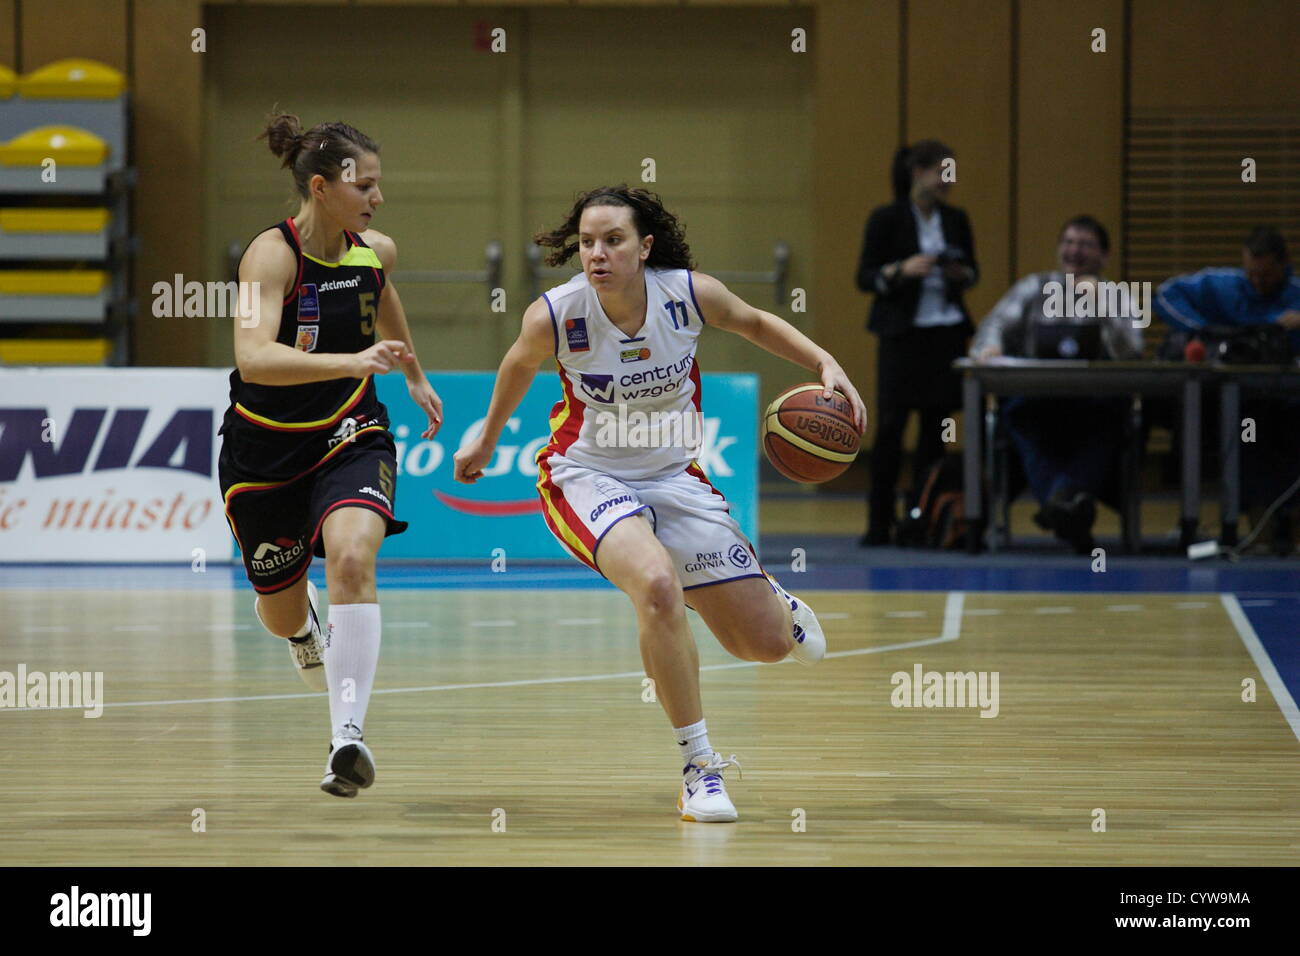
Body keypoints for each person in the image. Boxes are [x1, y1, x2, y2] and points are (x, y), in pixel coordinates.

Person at [453, 185, 867, 823]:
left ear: (644, 248)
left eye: (613, 240)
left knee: (762, 646)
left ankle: (775, 603)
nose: (597, 253)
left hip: (675, 475)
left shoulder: (688, 294)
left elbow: (755, 322)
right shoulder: (556, 314)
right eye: (587, 242)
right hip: (585, 474)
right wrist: (486, 435)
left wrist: (824, 361)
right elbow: (516, 365)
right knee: (654, 585)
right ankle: (700, 768)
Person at [219, 113, 442, 797]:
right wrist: (354, 357)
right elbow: (254, 359)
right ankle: (301, 628)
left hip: (350, 431)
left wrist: (410, 372)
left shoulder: (376, 249)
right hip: (261, 453)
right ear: (321, 187)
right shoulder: (272, 256)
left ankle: (346, 737)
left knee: (351, 556)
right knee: (280, 610)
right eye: (364, 185)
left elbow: (383, 293)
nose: (376, 199)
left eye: (377, 185)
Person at [970, 215, 1143, 553]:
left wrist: (1102, 305)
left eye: (1085, 244)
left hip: (1094, 404)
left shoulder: (1117, 296)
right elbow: (993, 326)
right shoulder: (1033, 288)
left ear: (1104, 257)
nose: (1074, 251)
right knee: (1017, 414)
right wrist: (989, 348)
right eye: (1068, 242)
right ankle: (1070, 502)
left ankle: (1059, 501)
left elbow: (1133, 350)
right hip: (1039, 402)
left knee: (1111, 420)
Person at [855, 140, 978, 545]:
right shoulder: (886, 218)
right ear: (918, 172)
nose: (949, 182)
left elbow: (974, 272)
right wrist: (900, 270)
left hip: (945, 335)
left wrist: (960, 273)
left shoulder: (956, 219)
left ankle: (926, 520)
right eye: (944, 172)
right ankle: (879, 523)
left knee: (936, 432)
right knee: (890, 430)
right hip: (902, 337)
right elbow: (865, 277)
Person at [1155, 226, 1300, 550]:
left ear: (1284, 265)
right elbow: (1165, 295)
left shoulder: (1296, 295)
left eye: (1266, 275)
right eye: (1252, 274)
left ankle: (1289, 526)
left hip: (1287, 401)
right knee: (1244, 436)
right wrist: (1206, 331)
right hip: (1235, 403)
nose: (1258, 282)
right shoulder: (1222, 285)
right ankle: (1253, 525)